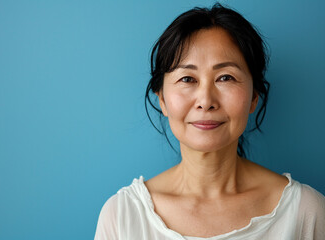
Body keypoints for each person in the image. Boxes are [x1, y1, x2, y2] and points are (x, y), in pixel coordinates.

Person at [95, 3, 325, 240]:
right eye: (187, 78)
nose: (206, 101)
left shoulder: (305, 212)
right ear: (162, 99)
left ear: (254, 97)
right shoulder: (123, 216)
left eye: (225, 77)